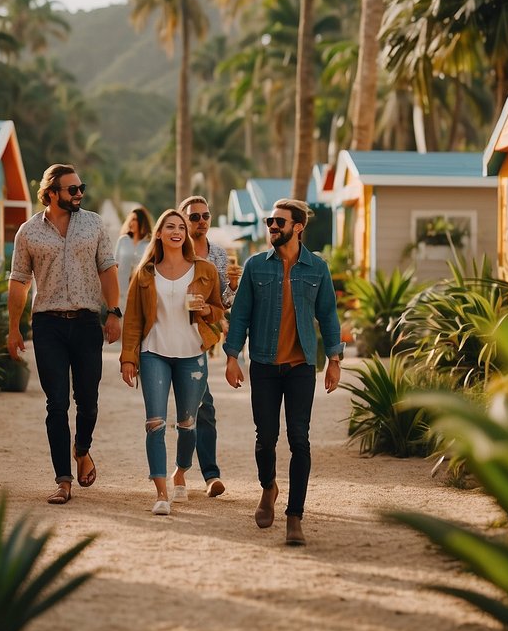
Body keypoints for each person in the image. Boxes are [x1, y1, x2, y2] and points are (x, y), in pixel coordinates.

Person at [223, 199, 343, 546]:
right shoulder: (256, 266)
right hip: (262, 364)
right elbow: (241, 314)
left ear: (298, 226)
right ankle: (268, 487)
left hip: (301, 366)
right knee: (265, 438)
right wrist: (232, 356)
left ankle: (295, 516)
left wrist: (334, 360)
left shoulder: (317, 268)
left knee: (300, 439)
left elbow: (329, 316)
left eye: (278, 222)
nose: (272, 227)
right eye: (269, 222)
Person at [8, 164, 122, 505]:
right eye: (72, 189)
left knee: (87, 402)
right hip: (48, 325)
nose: (79, 194)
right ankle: (63, 480)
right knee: (56, 403)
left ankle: (82, 448)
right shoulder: (28, 232)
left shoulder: (94, 224)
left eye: (80, 187)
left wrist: (114, 312)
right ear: (51, 193)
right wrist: (13, 328)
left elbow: (108, 268)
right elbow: (19, 282)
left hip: (87, 321)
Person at [120, 209, 224, 515]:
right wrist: (129, 358)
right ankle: (161, 492)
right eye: (170, 226)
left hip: (192, 354)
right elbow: (133, 320)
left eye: (181, 226)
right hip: (154, 353)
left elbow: (218, 310)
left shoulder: (204, 269)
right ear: (160, 234)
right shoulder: (145, 273)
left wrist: (206, 311)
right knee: (155, 423)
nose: (177, 231)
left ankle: (181, 471)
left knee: (187, 425)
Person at [178, 195, 234, 498]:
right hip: (168, 338)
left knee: (203, 407)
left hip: (198, 341)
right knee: (175, 412)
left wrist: (232, 290)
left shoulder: (219, 255)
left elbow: (221, 302)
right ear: (184, 219)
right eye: (195, 216)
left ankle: (209, 475)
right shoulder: (173, 249)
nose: (201, 221)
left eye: (205, 216)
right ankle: (177, 474)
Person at [114, 206, 152, 313]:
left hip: (140, 294)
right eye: (130, 219)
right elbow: (114, 265)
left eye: (134, 219)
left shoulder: (149, 244)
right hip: (120, 293)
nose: (131, 222)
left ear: (142, 222)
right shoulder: (123, 240)